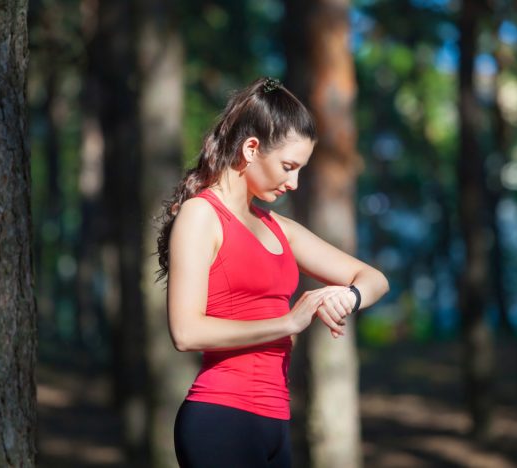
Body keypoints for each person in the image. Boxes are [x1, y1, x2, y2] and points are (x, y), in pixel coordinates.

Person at [156, 77, 389, 468]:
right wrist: (288, 322)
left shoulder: (281, 228)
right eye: (288, 166)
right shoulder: (202, 215)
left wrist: (346, 297)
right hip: (221, 419)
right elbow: (186, 332)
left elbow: (373, 279)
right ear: (251, 149)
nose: (294, 182)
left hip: (275, 422)